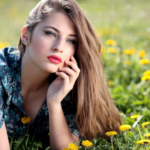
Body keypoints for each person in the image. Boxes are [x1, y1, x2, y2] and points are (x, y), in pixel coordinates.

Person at [0, 0, 122, 149]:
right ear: (26, 35)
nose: (59, 47)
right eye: (50, 33)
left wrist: (54, 103)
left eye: (71, 40)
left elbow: (65, 147)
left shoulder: (69, 83)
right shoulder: (2, 72)